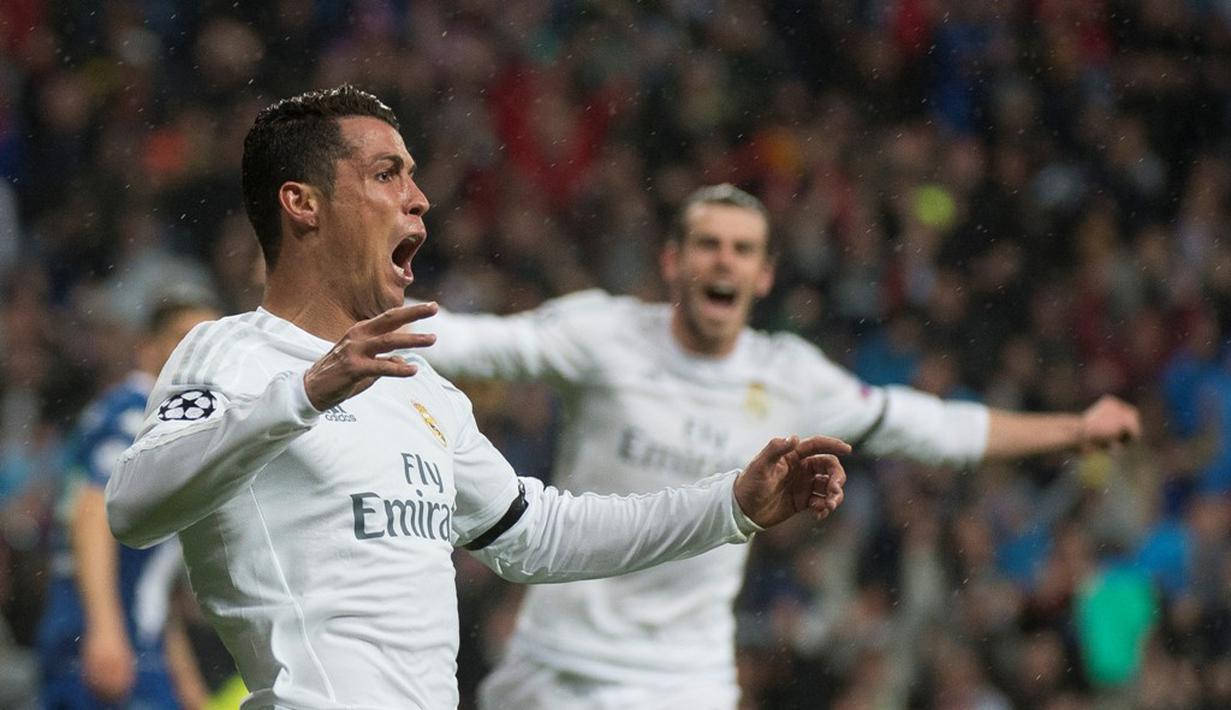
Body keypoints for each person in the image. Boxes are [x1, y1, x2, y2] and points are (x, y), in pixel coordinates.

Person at [102, 86, 851, 710]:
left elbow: (543, 535)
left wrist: (730, 505)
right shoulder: (234, 352)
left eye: (413, 176)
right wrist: (304, 394)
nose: (419, 199)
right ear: (303, 204)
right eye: (387, 175)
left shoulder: (418, 386)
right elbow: (134, 508)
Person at [411, 183, 1144, 710]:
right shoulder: (602, 333)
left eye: (742, 250)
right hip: (554, 669)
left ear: (763, 274)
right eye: (707, 245)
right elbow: (473, 340)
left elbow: (935, 428)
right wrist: (355, 316)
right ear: (672, 261)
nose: (722, 262)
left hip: (685, 681)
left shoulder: (791, 376)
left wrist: (1073, 430)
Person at [38, 301, 217, 709]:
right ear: (147, 348)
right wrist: (105, 630)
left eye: (209, 340)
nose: (198, 351)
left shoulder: (170, 420)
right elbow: (91, 512)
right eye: (184, 338)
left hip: (134, 642)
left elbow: (151, 581)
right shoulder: (137, 412)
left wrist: (187, 685)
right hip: (100, 642)